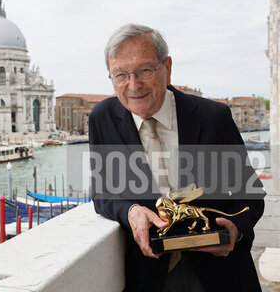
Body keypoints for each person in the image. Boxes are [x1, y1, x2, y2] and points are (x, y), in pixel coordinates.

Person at [88, 23, 265, 292]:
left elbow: (251, 196)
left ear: (167, 68)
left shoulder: (213, 118)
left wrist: (235, 230)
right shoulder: (102, 119)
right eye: (120, 75)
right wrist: (131, 211)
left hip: (223, 276)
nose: (133, 85)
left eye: (144, 70)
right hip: (148, 277)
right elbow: (102, 193)